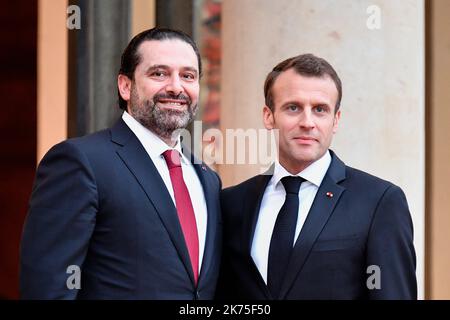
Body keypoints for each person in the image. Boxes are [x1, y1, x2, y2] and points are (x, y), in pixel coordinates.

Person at [20, 28, 222, 299]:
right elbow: (47, 288)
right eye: (159, 73)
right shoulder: (80, 162)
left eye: (188, 76)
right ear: (125, 86)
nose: (176, 87)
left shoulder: (207, 179)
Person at [216, 53, 417, 300]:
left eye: (320, 109)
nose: (307, 122)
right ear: (269, 116)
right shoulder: (232, 203)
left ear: (336, 120)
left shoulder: (379, 202)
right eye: (293, 108)